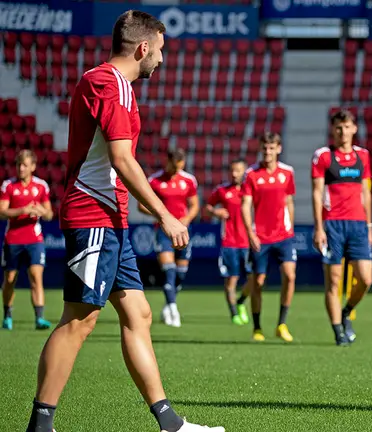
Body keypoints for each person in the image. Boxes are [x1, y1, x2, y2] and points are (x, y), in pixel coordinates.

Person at [25, 11, 224, 432]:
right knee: (80, 319)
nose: (162, 61)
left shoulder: (120, 87)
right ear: (143, 47)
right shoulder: (108, 83)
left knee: (139, 314)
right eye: (161, 52)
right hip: (93, 215)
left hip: (112, 218)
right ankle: (41, 425)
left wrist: (145, 211)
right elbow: (121, 159)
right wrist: (166, 215)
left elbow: (118, 163)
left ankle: (171, 424)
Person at [311, 110, 372, 346]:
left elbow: (366, 192)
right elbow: (317, 193)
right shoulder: (323, 156)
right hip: (333, 225)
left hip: (358, 224)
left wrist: (369, 225)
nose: (343, 132)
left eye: (347, 127)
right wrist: (319, 228)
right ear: (333, 130)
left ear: (354, 129)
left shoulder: (363, 156)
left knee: (365, 279)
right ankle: (338, 332)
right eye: (338, 127)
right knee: (334, 282)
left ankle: (346, 311)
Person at [241, 132, 296, 343]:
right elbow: (245, 205)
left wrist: (289, 225)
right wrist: (250, 233)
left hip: (284, 236)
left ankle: (282, 324)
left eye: (272, 148)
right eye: (265, 148)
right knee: (259, 282)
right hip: (260, 237)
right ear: (260, 149)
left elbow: (289, 201)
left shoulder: (287, 172)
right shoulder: (251, 174)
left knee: (290, 276)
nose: (268, 152)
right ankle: (257, 327)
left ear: (279, 149)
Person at [139, 148, 199, 328]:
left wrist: (186, 219)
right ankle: (173, 309)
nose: (177, 171)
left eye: (180, 167)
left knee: (180, 275)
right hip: (163, 232)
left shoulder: (188, 180)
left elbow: (195, 205)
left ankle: (167, 305)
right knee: (168, 269)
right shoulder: (155, 180)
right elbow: (142, 205)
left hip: (183, 231)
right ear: (169, 161)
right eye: (174, 166)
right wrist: (162, 217)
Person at [0, 150, 54, 330]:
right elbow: (1, 211)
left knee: (36, 276)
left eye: (24, 165)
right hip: (13, 239)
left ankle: (39, 318)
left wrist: (40, 211)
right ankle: (7, 314)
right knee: (9, 279)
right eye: (18, 165)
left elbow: (49, 214)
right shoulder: (8, 186)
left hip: (34, 239)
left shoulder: (41, 186)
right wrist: (22, 210)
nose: (21, 168)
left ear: (32, 167)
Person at [205, 159, 251, 325]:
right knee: (231, 279)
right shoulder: (222, 190)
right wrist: (216, 212)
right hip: (229, 242)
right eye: (232, 170)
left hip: (249, 241)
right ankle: (233, 313)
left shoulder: (250, 189)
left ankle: (241, 301)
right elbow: (208, 207)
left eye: (238, 170)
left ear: (244, 172)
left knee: (255, 278)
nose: (234, 174)